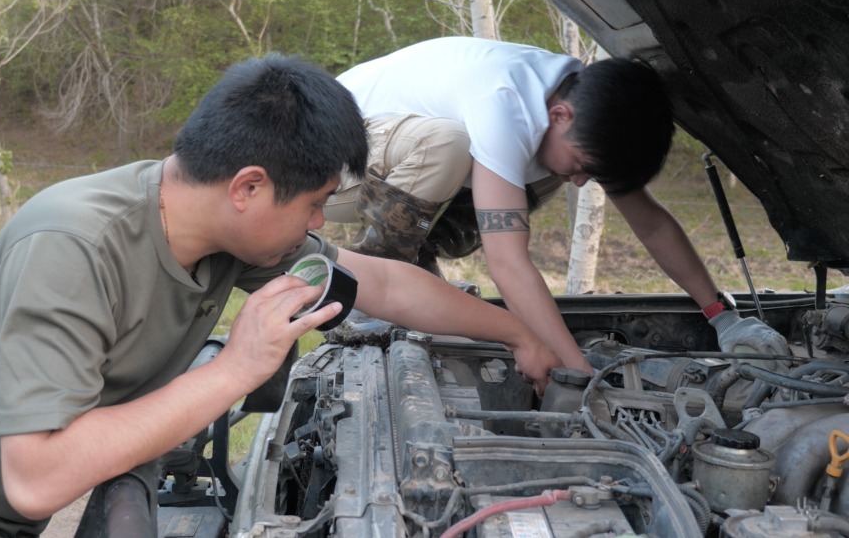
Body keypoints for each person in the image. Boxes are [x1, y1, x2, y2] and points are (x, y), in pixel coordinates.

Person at [0, 54, 560, 536]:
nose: (318, 222)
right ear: (248, 187)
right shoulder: (74, 246)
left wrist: (516, 334)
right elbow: (36, 478)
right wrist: (237, 367)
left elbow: (382, 283)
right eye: (314, 204)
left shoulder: (219, 228)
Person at [324, 36, 791, 374]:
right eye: (587, 163)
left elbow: (652, 225)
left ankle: (417, 274)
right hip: (332, 159)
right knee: (452, 144)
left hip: (398, 161)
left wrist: (722, 317)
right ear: (559, 114)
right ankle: (372, 285)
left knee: (549, 165)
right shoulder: (504, 103)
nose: (583, 179)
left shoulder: (587, 105)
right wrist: (576, 371)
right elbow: (508, 262)